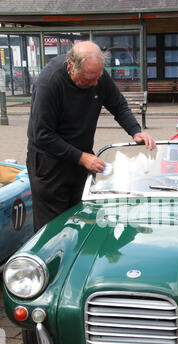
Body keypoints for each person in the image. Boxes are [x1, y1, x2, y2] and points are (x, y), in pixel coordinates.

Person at [26, 40, 156, 232]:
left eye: (98, 77)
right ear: (71, 67)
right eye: (89, 79)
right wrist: (82, 157)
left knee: (82, 216)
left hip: (80, 159)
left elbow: (118, 105)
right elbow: (42, 135)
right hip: (49, 164)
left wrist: (135, 130)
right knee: (53, 227)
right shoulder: (50, 82)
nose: (95, 83)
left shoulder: (96, 75)